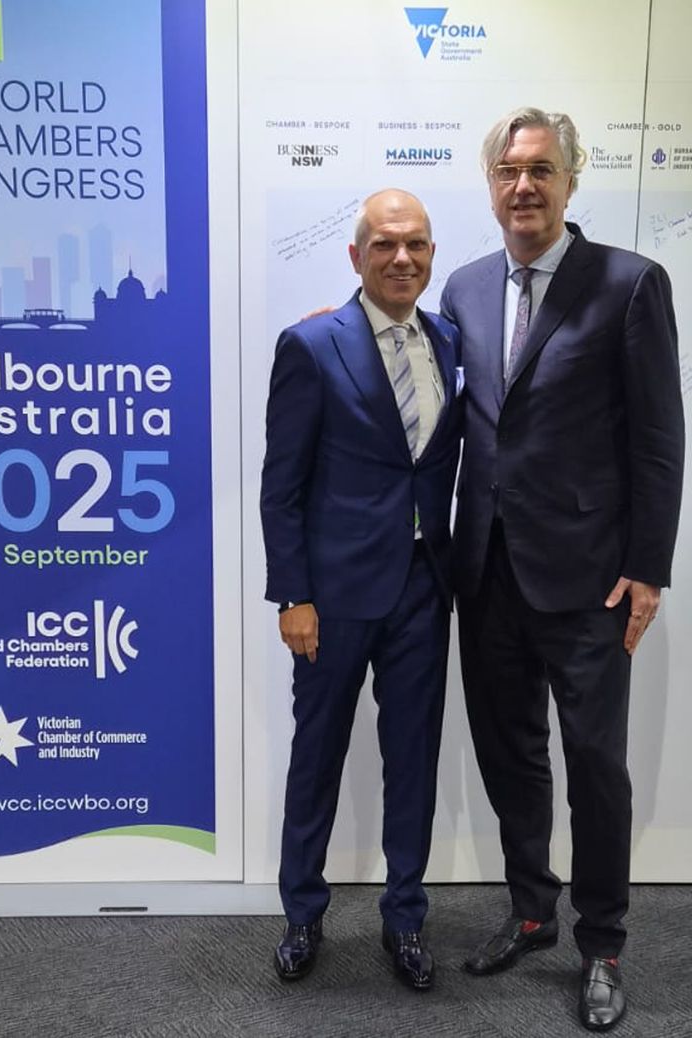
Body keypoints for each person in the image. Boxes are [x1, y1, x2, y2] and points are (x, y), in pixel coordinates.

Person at [440, 108, 684, 1031]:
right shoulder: (464, 287)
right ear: (490, 184)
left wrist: (648, 569)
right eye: (509, 171)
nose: (524, 187)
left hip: (591, 579)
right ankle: (532, 909)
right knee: (510, 753)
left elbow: (658, 438)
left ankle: (603, 943)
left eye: (541, 170)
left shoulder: (629, 283)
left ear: (571, 179)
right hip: (486, 570)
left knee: (595, 766)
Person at [261, 188, 464, 990]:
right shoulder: (312, 346)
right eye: (385, 244)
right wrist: (293, 597)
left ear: (432, 254)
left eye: (415, 244)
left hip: (424, 589)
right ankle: (302, 913)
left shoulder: (448, 339)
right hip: (334, 597)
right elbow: (282, 486)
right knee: (317, 757)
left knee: (412, 762)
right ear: (356, 256)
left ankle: (405, 918)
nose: (401, 258)